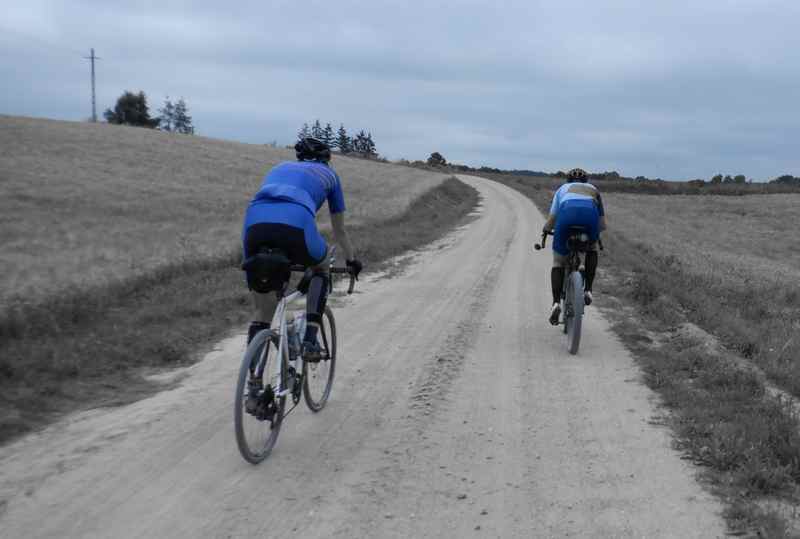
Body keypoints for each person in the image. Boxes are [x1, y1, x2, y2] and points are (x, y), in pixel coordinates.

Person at [241, 137, 363, 360]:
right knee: (321, 267)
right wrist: (352, 260)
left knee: (263, 308)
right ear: (326, 160)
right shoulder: (330, 175)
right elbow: (339, 231)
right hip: (295, 222)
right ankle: (309, 341)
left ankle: (253, 378)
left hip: (254, 224)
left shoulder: (279, 167)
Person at [542, 167, 607, 325]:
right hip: (590, 219)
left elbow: (553, 217)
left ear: (568, 180)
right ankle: (588, 290)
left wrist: (546, 230)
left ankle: (556, 303)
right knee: (592, 249)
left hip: (567, 217)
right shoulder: (594, 189)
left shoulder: (562, 189)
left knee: (558, 262)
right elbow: (602, 224)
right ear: (586, 181)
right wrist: (594, 237)